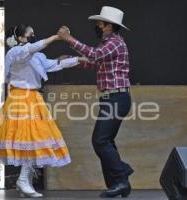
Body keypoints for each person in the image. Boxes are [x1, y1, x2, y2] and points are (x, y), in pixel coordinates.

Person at [0, 24, 87, 198]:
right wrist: (56, 37)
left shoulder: (36, 56)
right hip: (20, 99)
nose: (33, 34)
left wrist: (78, 60)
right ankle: (23, 180)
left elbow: (54, 64)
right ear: (20, 38)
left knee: (35, 139)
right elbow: (33, 47)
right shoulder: (15, 54)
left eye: (34, 32)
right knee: (30, 139)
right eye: (29, 33)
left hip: (32, 99)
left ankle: (25, 180)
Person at [58, 6, 134, 198]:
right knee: (106, 141)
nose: (97, 26)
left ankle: (122, 175)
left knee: (100, 141)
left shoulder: (115, 42)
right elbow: (96, 62)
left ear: (108, 26)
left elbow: (95, 55)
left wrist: (69, 39)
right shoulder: (108, 43)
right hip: (112, 98)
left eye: (100, 24)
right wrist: (73, 60)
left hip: (117, 98)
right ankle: (117, 183)